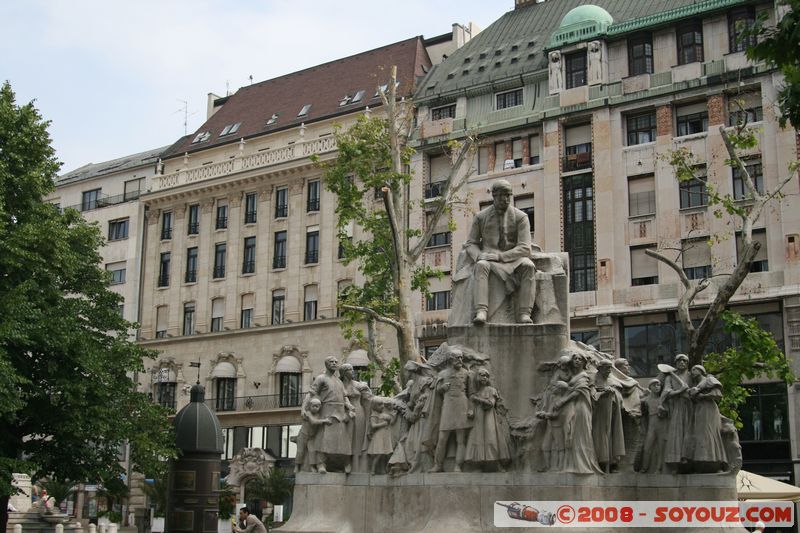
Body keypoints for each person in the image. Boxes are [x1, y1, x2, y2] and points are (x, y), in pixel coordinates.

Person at [463, 179, 536, 325]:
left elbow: (525, 247)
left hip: (512, 258)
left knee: (528, 266)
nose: (506, 199)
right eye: (502, 195)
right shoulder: (481, 217)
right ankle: (481, 311)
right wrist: (479, 255)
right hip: (488, 258)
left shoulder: (521, 217)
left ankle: (524, 313)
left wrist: (500, 256)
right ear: (494, 196)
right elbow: (471, 243)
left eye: (508, 195)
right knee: (481, 265)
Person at [303, 356, 355, 474]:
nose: (334, 363)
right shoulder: (321, 378)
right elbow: (312, 393)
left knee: (343, 440)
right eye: (331, 362)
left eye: (336, 362)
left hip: (341, 412)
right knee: (324, 439)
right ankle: (321, 464)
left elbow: (344, 396)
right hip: (326, 411)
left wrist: (349, 405)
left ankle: (345, 463)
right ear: (326, 364)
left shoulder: (339, 381)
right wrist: (307, 408)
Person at [430, 349, 472, 472]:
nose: (460, 360)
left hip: (462, 406)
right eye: (457, 358)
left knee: (460, 439)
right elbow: (436, 390)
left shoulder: (466, 373)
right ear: (450, 359)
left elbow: (471, 393)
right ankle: (438, 465)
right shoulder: (442, 374)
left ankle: (458, 465)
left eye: (461, 357)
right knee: (442, 438)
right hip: (448, 406)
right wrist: (442, 388)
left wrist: (470, 409)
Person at [464, 368, 512, 471]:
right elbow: (470, 405)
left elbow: (491, 403)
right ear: (477, 377)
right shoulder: (475, 392)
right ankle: (478, 465)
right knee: (477, 439)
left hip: (489, 417)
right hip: (478, 418)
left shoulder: (491, 390)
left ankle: (497, 465)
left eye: (486, 376)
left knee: (491, 438)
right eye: (481, 375)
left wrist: (477, 399)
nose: (484, 378)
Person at [660, 354, 693, 473]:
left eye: (684, 361)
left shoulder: (691, 376)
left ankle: (690, 460)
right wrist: (679, 391)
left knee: (690, 432)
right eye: (679, 361)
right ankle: (675, 462)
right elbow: (666, 392)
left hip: (690, 407)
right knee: (676, 435)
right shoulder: (670, 378)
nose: (682, 363)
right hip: (676, 408)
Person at [293, 398, 331, 473]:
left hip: (311, 437)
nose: (315, 408)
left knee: (312, 451)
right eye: (313, 406)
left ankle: (312, 466)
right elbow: (313, 422)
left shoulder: (319, 415)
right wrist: (325, 421)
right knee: (300, 451)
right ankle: (297, 466)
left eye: (317, 406)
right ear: (310, 406)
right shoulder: (308, 413)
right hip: (303, 435)